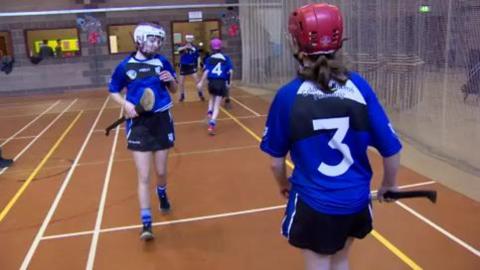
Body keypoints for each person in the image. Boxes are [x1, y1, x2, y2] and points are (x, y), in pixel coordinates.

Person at [260, 4, 402, 270]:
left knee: (320, 263)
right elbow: (391, 151)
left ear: (296, 45)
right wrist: (389, 184)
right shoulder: (359, 87)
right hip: (356, 201)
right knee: (341, 259)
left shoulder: (288, 96)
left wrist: (283, 184)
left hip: (315, 203)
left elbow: (275, 163)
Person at [108, 23, 178, 241]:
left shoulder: (162, 62)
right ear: (139, 40)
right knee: (144, 175)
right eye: (151, 39)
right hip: (138, 124)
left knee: (160, 172)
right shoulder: (125, 66)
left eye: (158, 40)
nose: (155, 44)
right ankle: (146, 223)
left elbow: (174, 90)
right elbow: (113, 91)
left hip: (161, 119)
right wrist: (125, 104)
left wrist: (172, 81)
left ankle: (162, 193)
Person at [197, 38, 233, 135]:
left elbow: (206, 71)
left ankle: (209, 112)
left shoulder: (209, 59)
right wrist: (229, 82)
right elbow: (230, 72)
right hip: (221, 82)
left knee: (211, 98)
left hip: (212, 82)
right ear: (221, 47)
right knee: (217, 106)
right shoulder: (226, 58)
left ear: (211, 48)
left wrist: (201, 82)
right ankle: (212, 125)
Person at [177, 34, 205, 102]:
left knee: (197, 81)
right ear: (186, 39)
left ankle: (200, 94)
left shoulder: (195, 47)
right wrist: (185, 47)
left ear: (192, 39)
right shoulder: (183, 46)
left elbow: (198, 57)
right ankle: (182, 95)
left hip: (191, 65)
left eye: (190, 39)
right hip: (183, 65)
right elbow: (178, 50)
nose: (189, 40)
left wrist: (199, 65)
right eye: (188, 38)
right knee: (181, 82)